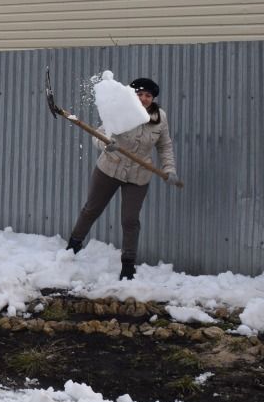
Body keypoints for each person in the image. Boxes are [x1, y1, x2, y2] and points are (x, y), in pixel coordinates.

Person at [64, 77, 179, 280]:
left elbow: (164, 145)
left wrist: (169, 169)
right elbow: (98, 134)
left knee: (130, 220)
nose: (144, 99)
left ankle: (128, 265)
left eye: (148, 96)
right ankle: (71, 248)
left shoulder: (159, 117)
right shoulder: (121, 109)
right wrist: (107, 144)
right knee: (92, 209)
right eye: (140, 94)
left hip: (139, 175)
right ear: (132, 95)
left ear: (153, 98)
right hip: (110, 167)